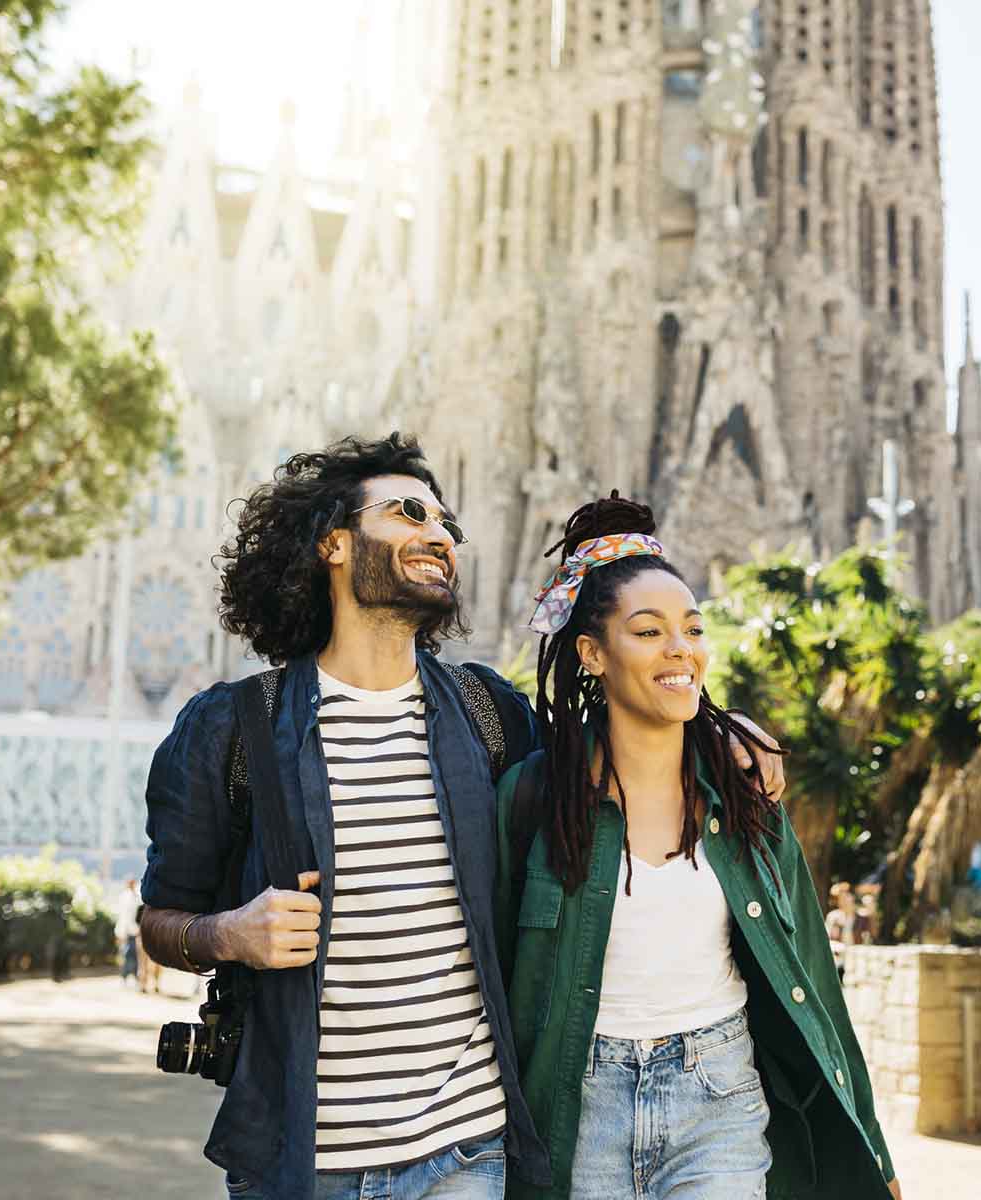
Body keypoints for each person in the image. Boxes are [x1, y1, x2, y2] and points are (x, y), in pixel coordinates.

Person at [136, 435, 785, 1200]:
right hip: (304, 1162)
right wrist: (227, 934)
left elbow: (622, 751)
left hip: (467, 1155)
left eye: (448, 524)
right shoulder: (233, 731)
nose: (439, 534)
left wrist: (723, 730)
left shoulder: (488, 717)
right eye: (409, 511)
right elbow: (160, 920)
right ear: (332, 543)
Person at [495, 494, 901, 1200]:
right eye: (649, 631)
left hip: (719, 1098)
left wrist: (873, 1152)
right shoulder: (535, 798)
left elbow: (812, 976)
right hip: (579, 1106)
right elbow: (495, 975)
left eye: (692, 628)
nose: (680, 648)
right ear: (592, 653)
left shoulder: (745, 796)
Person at [115, 878, 140, 987]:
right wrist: (123, 933)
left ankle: (131, 976)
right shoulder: (126, 897)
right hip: (127, 931)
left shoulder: (134, 896)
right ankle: (126, 977)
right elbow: (125, 916)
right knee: (128, 954)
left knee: (131, 955)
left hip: (132, 931)